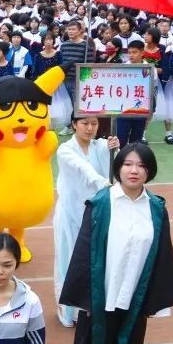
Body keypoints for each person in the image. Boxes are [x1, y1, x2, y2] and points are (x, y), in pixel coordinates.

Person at [59, 144, 173, 344]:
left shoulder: (156, 208)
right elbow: (83, 251)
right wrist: (85, 296)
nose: (134, 170)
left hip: (134, 286)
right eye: (128, 164)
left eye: (141, 165)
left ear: (149, 171)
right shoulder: (102, 203)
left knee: (124, 339)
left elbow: (162, 253)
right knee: (93, 340)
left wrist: (154, 297)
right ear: (118, 168)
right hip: (103, 287)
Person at [53, 116, 120, 327]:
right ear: (74, 124)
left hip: (95, 214)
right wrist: (102, 183)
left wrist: (115, 151)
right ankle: (68, 310)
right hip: (69, 213)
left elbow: (117, 169)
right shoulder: (65, 150)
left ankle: (88, 309)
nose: (90, 128)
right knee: (68, 258)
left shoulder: (101, 145)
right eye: (84, 123)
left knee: (93, 261)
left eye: (94, 124)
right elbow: (83, 169)